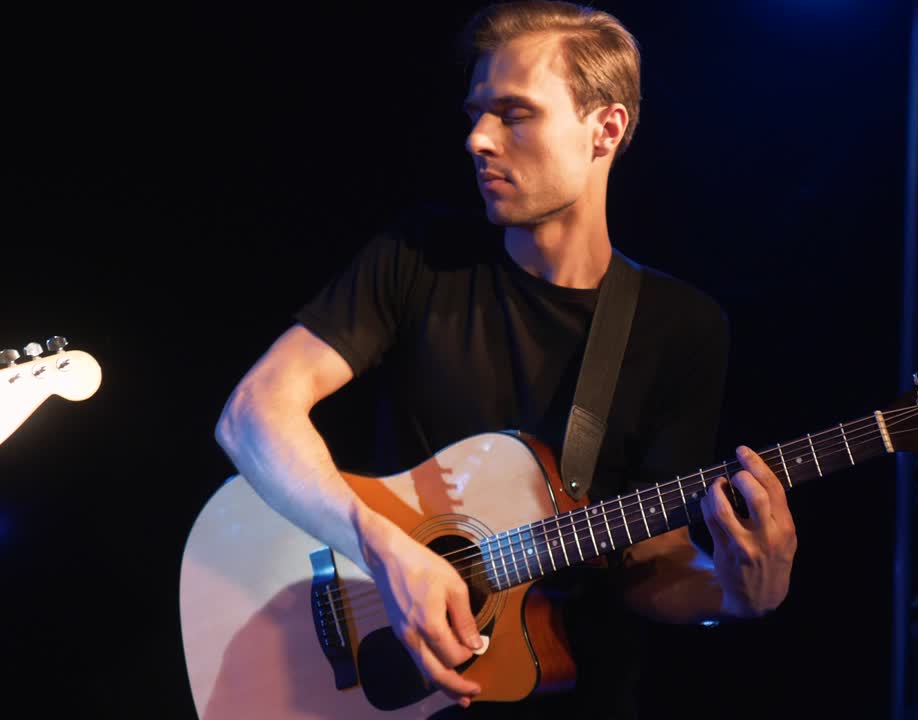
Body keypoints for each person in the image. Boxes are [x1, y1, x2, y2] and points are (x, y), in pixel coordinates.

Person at [214, 2, 797, 718]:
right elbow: (252, 416)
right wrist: (385, 548)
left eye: (514, 114)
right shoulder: (419, 258)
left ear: (604, 129)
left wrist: (738, 595)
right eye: (477, 113)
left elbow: (650, 565)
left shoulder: (682, 327)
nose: (478, 139)